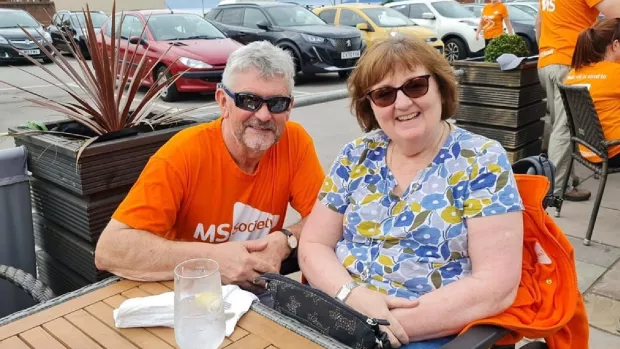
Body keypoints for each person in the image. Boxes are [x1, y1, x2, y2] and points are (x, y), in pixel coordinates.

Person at [298, 35, 524, 349]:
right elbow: (313, 243)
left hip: (427, 330)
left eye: (415, 85)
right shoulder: (356, 155)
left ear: (440, 87)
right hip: (341, 312)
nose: (402, 103)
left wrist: (374, 328)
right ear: (370, 106)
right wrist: (351, 296)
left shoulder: (481, 160)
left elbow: (495, 286)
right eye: (384, 94)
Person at [94, 41, 325, 291]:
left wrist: (285, 239)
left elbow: (326, 217)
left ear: (289, 107)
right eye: (249, 101)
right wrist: (213, 260)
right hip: (186, 294)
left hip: (254, 295)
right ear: (223, 102)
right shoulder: (183, 153)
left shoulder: (294, 141)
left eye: (277, 103)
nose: (263, 115)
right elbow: (110, 249)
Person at [536, 0, 620, 202]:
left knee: (563, 127)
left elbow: (539, 22)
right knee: (565, 129)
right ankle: (553, 191)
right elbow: (616, 11)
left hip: (547, 60)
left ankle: (563, 184)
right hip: (567, 59)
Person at [564, 18, 620, 165]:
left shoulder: (574, 73)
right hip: (613, 151)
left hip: (587, 149)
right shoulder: (616, 72)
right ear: (615, 45)